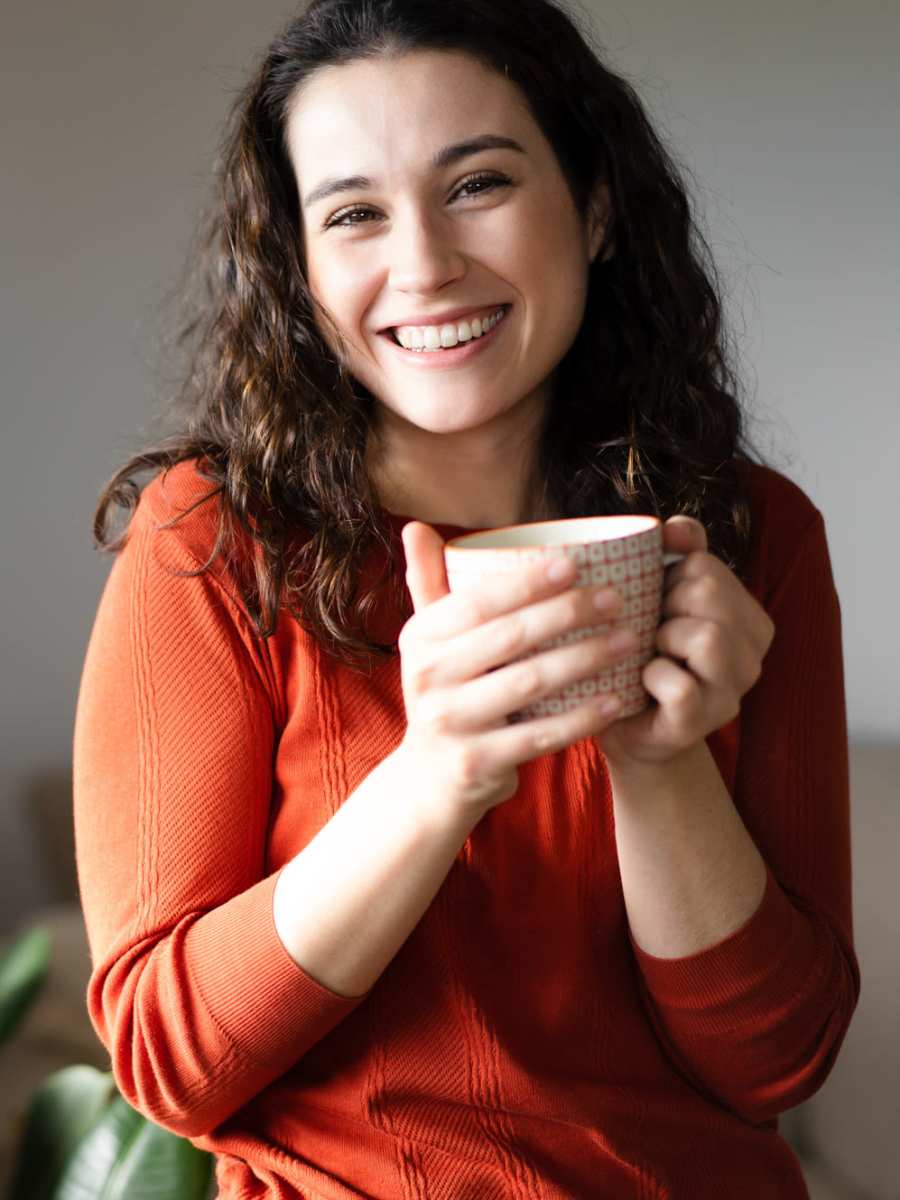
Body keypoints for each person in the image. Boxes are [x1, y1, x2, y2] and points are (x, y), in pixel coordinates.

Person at [72, 0, 860, 1196]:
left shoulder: (756, 537)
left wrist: (660, 761)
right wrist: (438, 774)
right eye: (353, 215)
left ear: (594, 208)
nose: (426, 265)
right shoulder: (215, 541)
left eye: (478, 184)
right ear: (301, 266)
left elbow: (776, 1065)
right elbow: (170, 1064)